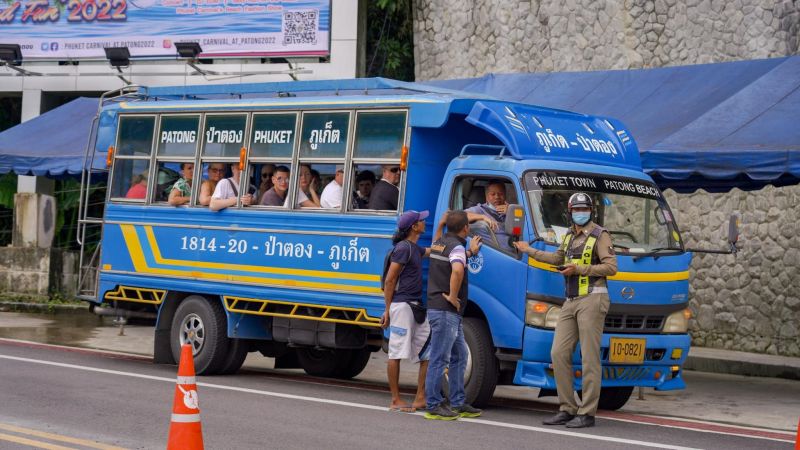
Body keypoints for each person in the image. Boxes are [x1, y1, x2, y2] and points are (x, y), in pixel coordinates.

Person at [514, 192, 617, 429]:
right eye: (577, 209)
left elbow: (611, 267)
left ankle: (587, 412)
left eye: (585, 209)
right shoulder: (569, 234)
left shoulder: (600, 235)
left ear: (591, 211)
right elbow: (556, 257)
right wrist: (527, 250)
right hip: (570, 300)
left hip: (593, 298)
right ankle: (567, 408)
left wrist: (579, 268)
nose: (581, 213)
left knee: (589, 358)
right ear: (570, 213)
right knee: (558, 353)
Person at [380, 210, 442, 413]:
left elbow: (434, 250)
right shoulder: (403, 249)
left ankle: (420, 397)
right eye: (421, 221)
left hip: (415, 306)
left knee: (429, 351)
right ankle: (395, 399)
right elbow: (390, 280)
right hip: (402, 307)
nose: (425, 222)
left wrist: (442, 227)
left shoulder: (414, 248)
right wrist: (387, 310)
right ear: (414, 227)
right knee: (396, 352)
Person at [424, 210, 483, 421]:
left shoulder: (440, 242)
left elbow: (453, 258)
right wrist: (452, 296)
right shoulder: (457, 247)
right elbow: (457, 270)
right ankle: (432, 404)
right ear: (466, 228)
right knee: (440, 358)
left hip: (446, 312)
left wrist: (471, 252)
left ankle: (458, 402)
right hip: (445, 310)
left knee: (460, 355)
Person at [465, 181, 513, 251]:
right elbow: (460, 216)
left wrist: (511, 212)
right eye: (493, 194)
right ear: (486, 196)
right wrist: (483, 217)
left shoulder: (511, 209)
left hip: (517, 253)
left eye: (500, 194)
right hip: (499, 254)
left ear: (505, 195)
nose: (497, 197)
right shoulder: (480, 209)